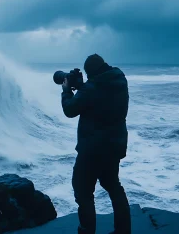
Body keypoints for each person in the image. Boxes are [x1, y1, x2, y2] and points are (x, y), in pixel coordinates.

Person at [61, 54, 131, 234]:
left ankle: (87, 231)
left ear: (91, 72)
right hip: (114, 145)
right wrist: (84, 86)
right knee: (113, 186)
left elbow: (70, 110)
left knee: (83, 191)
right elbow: (101, 100)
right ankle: (123, 230)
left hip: (92, 150)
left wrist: (67, 90)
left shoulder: (92, 88)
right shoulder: (119, 80)